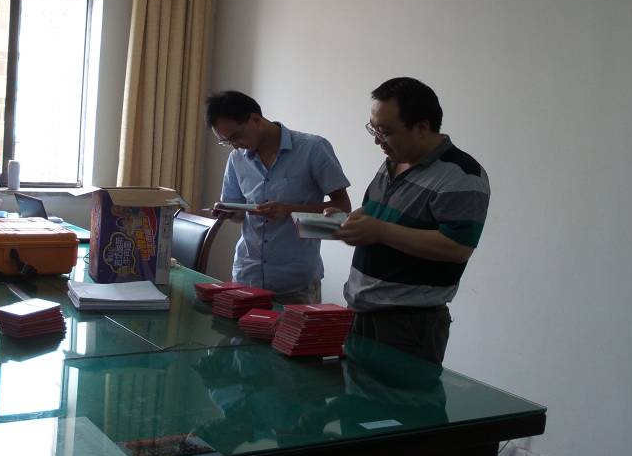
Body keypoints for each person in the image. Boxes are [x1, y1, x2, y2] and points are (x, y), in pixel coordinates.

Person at [332, 77, 490, 365]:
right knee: (355, 391)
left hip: (408, 323)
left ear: (422, 127)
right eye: (373, 129)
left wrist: (380, 231)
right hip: (360, 309)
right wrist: (348, 221)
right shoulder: (393, 160)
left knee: (400, 395)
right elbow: (374, 211)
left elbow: (457, 247)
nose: (377, 140)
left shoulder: (462, 175)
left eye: (385, 132)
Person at [206, 90, 351, 304]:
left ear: (255, 119)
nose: (235, 145)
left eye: (236, 136)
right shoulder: (237, 158)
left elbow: (343, 208)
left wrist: (288, 210)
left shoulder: (313, 149)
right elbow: (239, 215)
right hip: (247, 275)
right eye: (226, 142)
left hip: (295, 282)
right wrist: (230, 213)